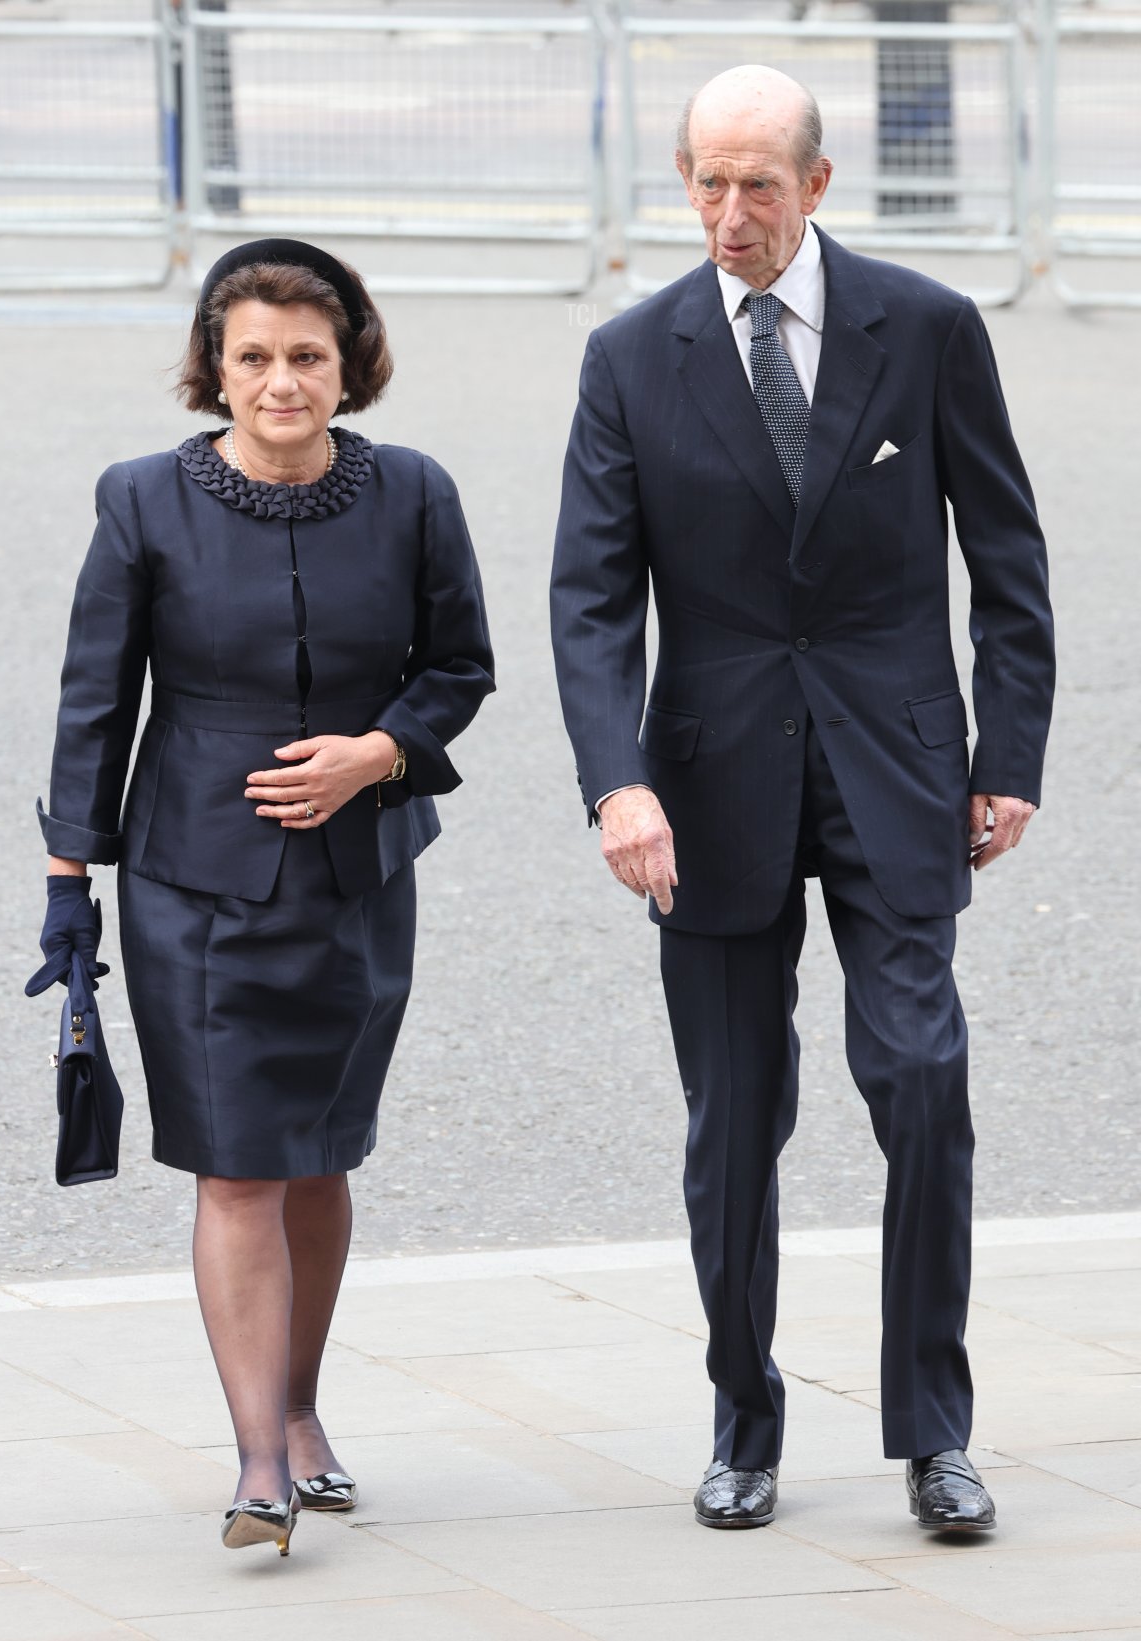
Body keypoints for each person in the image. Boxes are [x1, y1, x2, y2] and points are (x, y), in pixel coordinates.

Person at [550, 67, 1054, 1532]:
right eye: (705, 182)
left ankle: (935, 1433)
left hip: (898, 769)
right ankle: (743, 1422)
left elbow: (1008, 561)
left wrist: (1009, 755)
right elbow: (592, 600)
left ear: (818, 185)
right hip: (707, 791)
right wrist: (616, 784)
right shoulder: (630, 357)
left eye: (758, 184)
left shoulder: (929, 328)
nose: (729, 214)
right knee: (733, 1124)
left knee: (923, 1084)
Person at [31, 238, 494, 1555]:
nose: (281, 381)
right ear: (214, 368)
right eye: (254, 357)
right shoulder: (141, 499)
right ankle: (257, 1466)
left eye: (306, 356)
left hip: (360, 877)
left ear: (349, 367)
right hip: (193, 883)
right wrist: (70, 881)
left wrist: (378, 752)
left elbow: (460, 666)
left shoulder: (414, 492)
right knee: (237, 1162)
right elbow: (96, 699)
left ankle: (298, 1408)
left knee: (319, 1155)